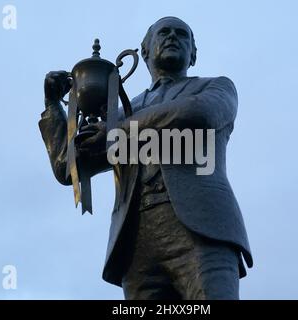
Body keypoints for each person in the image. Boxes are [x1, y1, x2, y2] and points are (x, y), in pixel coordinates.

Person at [39, 16, 252, 299]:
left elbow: (200, 114)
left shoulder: (216, 87)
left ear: (194, 54)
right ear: (145, 50)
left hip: (203, 233)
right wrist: (53, 106)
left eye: (182, 34)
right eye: (164, 32)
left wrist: (117, 129)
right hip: (137, 244)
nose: (173, 37)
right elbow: (70, 170)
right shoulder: (121, 112)